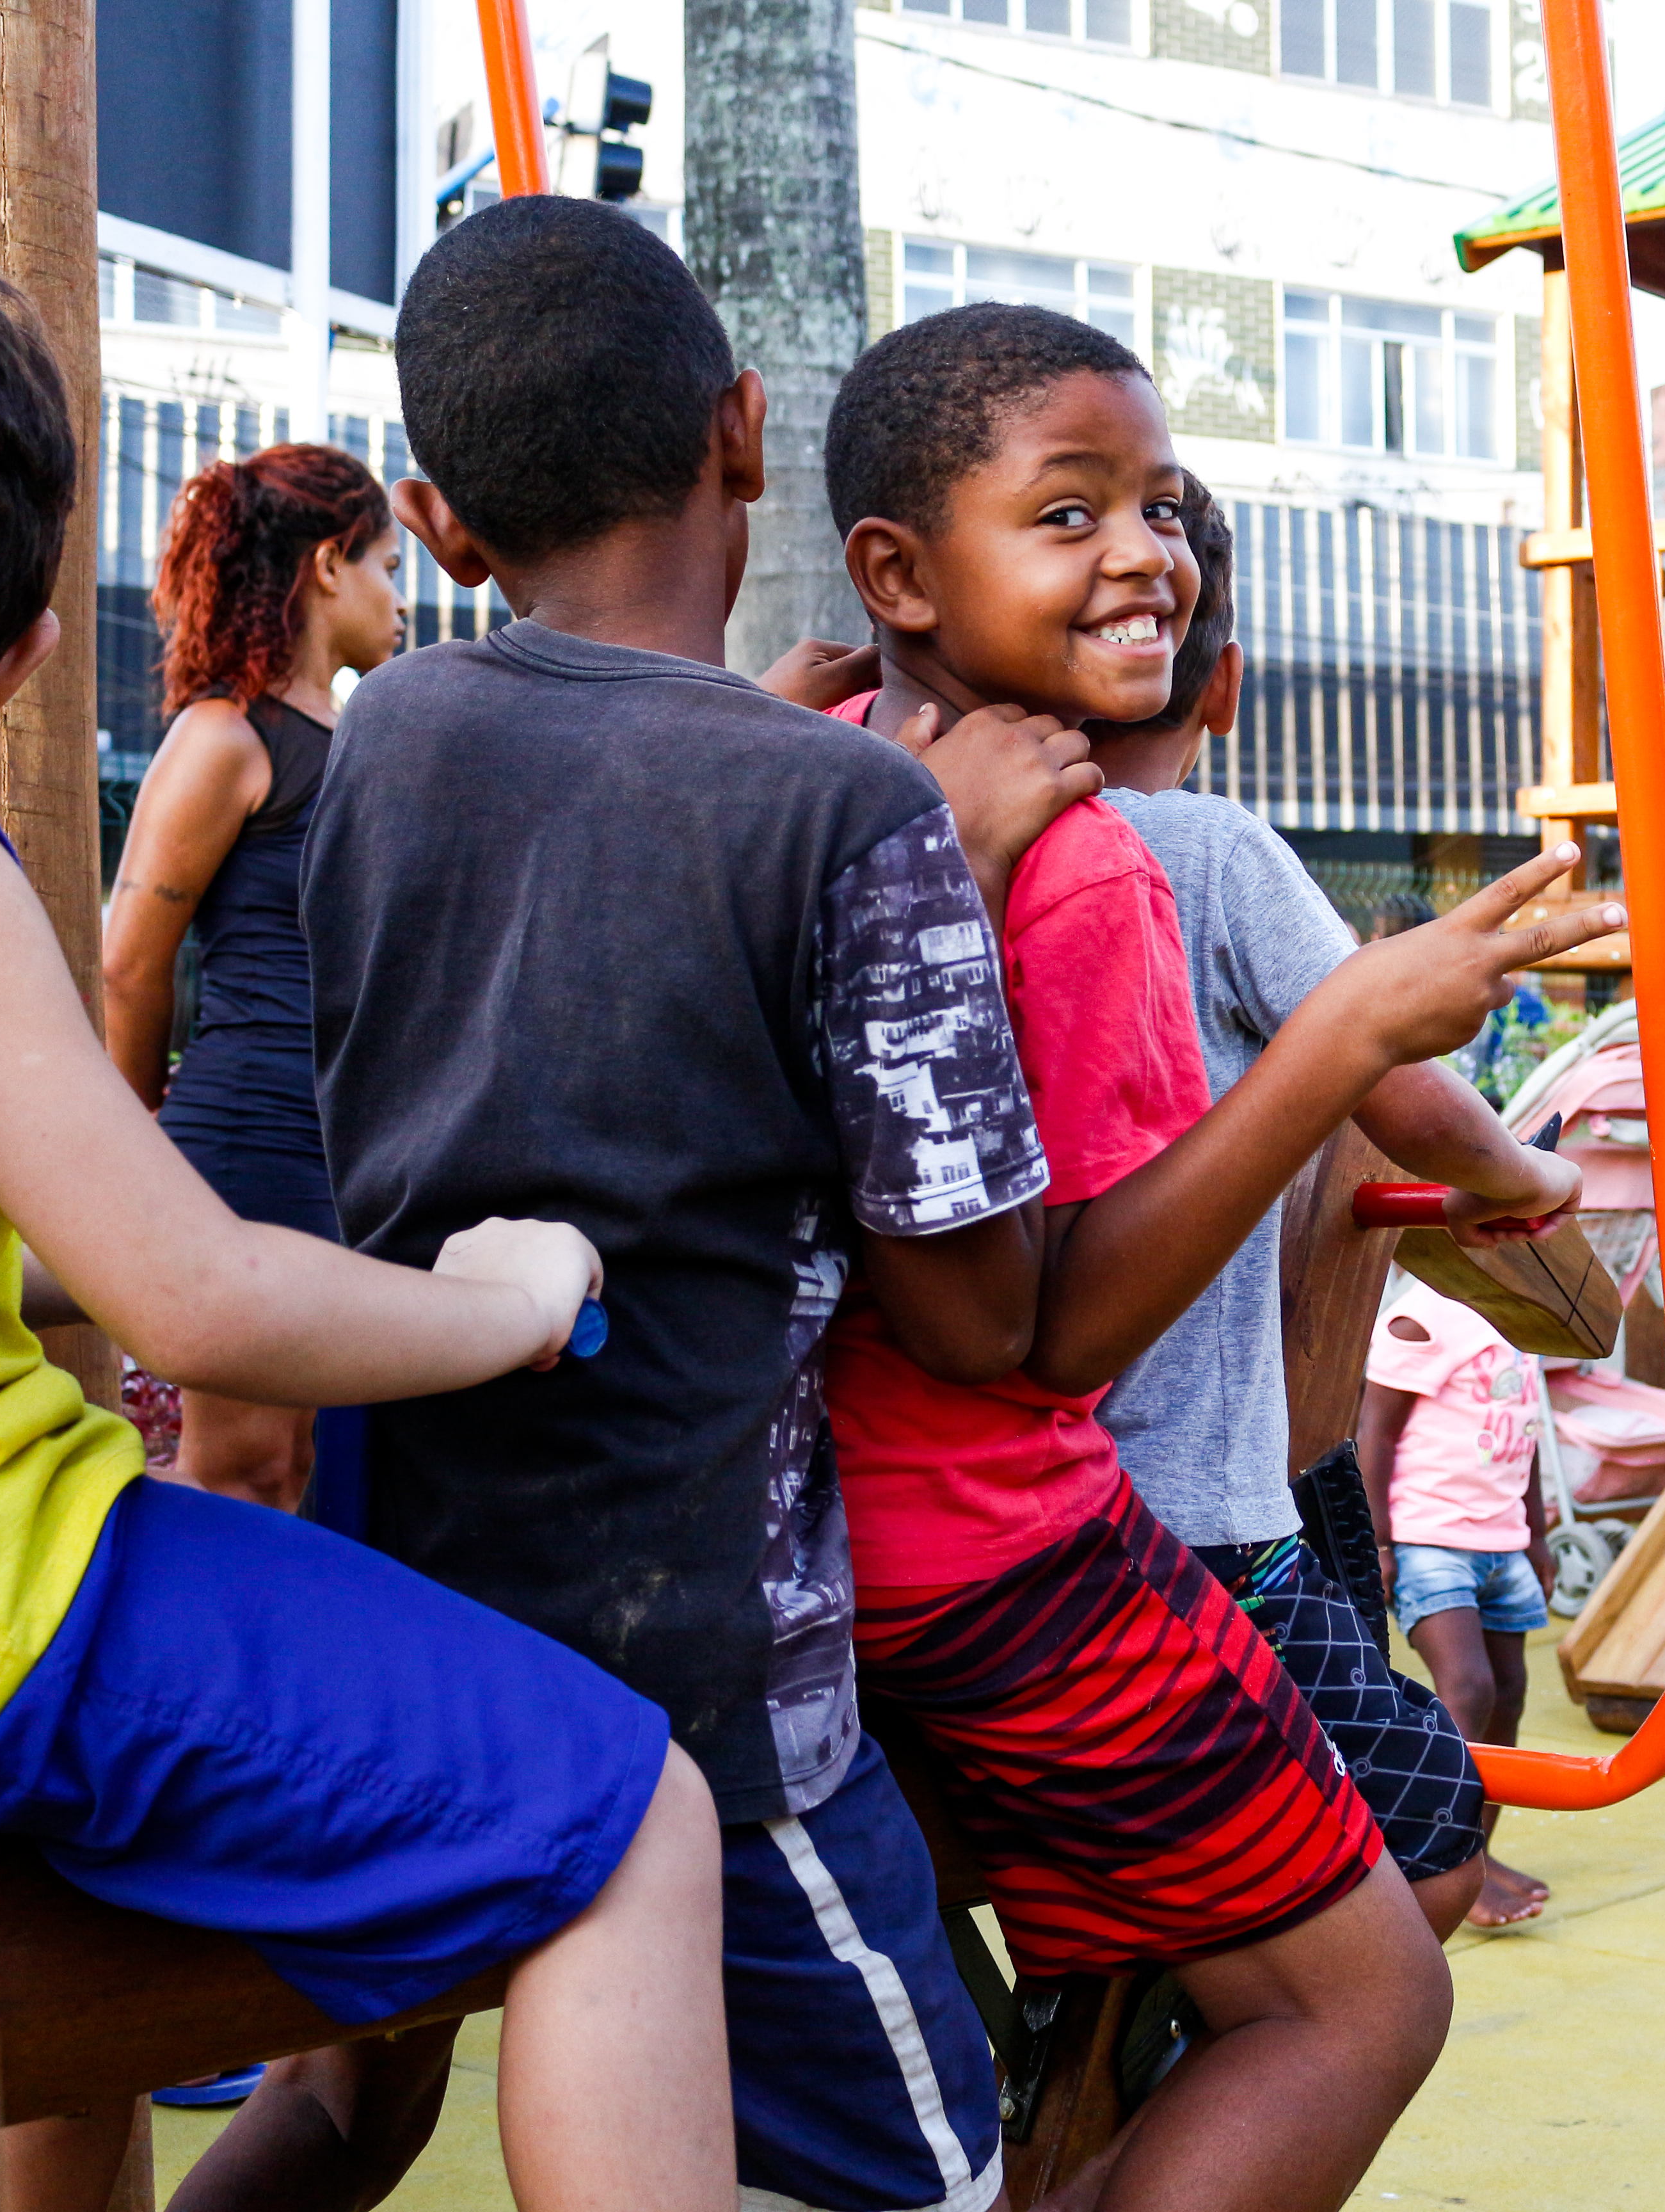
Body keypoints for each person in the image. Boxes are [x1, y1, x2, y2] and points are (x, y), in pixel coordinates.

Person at [304, 197, 1104, 2212]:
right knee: (927, 2172)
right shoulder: (849, 808)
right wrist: (968, 859)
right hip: (720, 1689)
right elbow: (983, 1308)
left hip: (434, 1603)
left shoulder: (387, 731)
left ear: (443, 523)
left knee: (350, 2119)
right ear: (746, 430)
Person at [815, 298, 1623, 2212]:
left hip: (840, 1539)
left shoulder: (821, 780)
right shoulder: (1110, 858)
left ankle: (1097, 2033)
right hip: (1060, 1530)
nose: (1144, 552)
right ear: (903, 574)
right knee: (1374, 1973)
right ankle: (1101, 2054)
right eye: (1076, 513)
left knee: (1249, 1896)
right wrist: (1360, 1045)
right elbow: (1035, 1330)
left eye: (1162, 508)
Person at [0, 259, 735, 2212]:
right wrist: (500, 1301)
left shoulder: (374, 738)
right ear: (19, 652)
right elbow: (184, 1269)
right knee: (633, 1815)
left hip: (202, 1227)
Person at [1078, 473, 1584, 1940]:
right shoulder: (1211, 852)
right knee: (1416, 1829)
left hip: (1039, 1498)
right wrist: (1525, 1173)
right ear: (1224, 683)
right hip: (1197, 1501)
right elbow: (1398, 1078)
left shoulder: (952, 834)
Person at [100, 442, 399, 1510]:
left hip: (339, 1147)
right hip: (247, 1136)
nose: (397, 598)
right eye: (387, 567)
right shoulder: (224, 735)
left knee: (300, 1471)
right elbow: (129, 962)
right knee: (243, 1467)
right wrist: (127, 1141)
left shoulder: (355, 737)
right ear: (328, 566)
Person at [1357, 1282, 1561, 1929]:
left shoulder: (1527, 1314)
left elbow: (1524, 1439)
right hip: (1430, 1538)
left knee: (1510, 1690)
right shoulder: (1424, 1316)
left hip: (1502, 1542)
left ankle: (1481, 1853)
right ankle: (1443, 1865)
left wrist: (1539, 1538)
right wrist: (1380, 1544)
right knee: (1467, 1690)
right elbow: (1375, 1435)